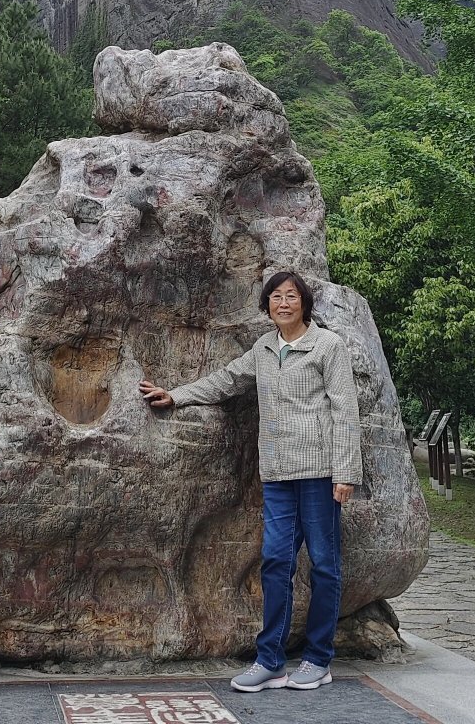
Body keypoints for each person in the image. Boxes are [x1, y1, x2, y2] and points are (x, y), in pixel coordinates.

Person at [139, 270, 361, 693]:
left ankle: (318, 659)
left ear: (304, 303)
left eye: (291, 296)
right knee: (275, 562)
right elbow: (226, 380)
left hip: (319, 473)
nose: (283, 303)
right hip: (277, 474)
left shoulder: (327, 346)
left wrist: (346, 473)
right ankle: (270, 660)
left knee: (324, 565)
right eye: (275, 297)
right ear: (267, 306)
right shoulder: (264, 348)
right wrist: (177, 395)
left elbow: (345, 411)